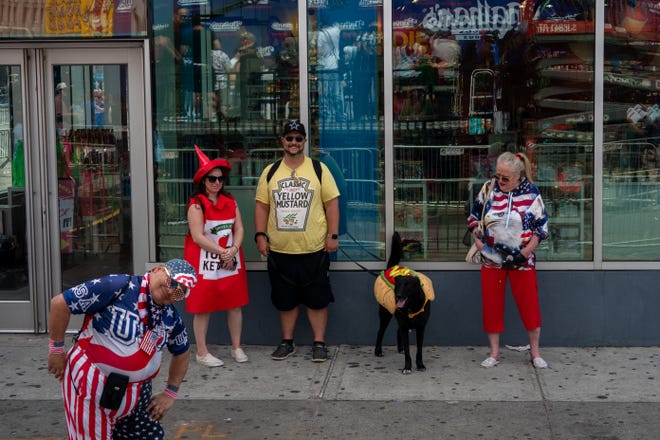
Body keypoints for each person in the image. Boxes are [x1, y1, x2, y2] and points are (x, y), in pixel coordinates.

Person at [47, 259, 197, 439]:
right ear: (157, 269)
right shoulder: (117, 286)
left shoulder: (170, 316)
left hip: (137, 395)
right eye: (171, 282)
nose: (172, 290)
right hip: (91, 387)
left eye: (180, 291)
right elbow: (60, 303)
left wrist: (170, 393)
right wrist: (56, 350)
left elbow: (182, 351)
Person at [254, 120, 340, 362]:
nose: (293, 142)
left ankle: (319, 343)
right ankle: (287, 341)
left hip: (314, 248)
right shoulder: (270, 171)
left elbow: (332, 203)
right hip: (280, 251)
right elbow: (261, 206)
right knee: (285, 300)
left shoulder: (318, 169)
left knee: (317, 299)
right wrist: (260, 235)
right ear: (282, 141)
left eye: (298, 138)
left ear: (304, 141)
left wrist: (333, 235)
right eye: (289, 138)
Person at [467, 152, 549, 369]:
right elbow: (474, 216)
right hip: (491, 258)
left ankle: (535, 352)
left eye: (505, 178)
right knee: (491, 305)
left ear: (518, 176)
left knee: (529, 305)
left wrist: (525, 252)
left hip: (522, 260)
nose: (500, 181)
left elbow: (541, 227)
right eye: (498, 175)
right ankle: (494, 352)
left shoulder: (531, 193)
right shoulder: (489, 188)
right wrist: (479, 241)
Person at [184, 146, 250, 367]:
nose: (216, 183)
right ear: (203, 180)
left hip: (230, 259)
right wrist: (223, 251)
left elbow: (239, 228)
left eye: (220, 179)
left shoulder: (231, 201)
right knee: (203, 306)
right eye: (212, 179)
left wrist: (234, 247)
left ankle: (236, 347)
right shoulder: (197, 204)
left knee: (235, 303)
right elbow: (197, 236)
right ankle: (201, 352)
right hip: (205, 262)